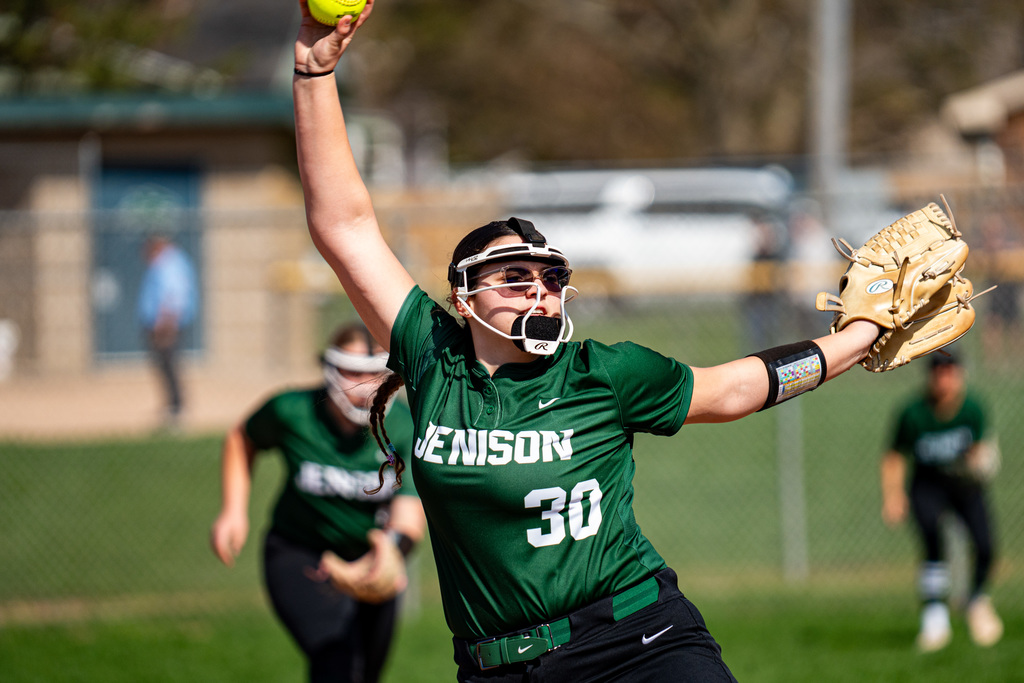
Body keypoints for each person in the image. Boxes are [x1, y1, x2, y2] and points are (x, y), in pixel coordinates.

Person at [293, 3, 883, 680]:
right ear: (463, 297)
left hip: (637, 638)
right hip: (498, 667)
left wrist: (861, 336)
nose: (539, 290)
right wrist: (315, 72)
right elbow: (344, 223)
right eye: (513, 277)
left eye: (550, 277)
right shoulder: (434, 358)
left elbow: (735, 389)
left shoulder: (602, 371)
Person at [210, 321, 426, 683]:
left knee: (366, 673)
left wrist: (387, 554)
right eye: (352, 370)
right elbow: (241, 438)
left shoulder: (404, 427)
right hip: (301, 553)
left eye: (376, 373)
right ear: (329, 367)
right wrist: (233, 511)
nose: (364, 385)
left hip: (369, 559)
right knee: (337, 663)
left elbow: (408, 515)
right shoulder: (292, 410)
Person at [880, 349, 1003, 652]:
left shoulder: (972, 409)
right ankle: (935, 614)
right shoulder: (914, 412)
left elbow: (980, 450)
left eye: (950, 372)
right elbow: (894, 456)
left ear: (960, 375)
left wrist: (981, 460)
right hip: (928, 485)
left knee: (986, 545)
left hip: (965, 487)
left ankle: (976, 599)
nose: (944, 380)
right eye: (938, 373)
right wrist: (893, 496)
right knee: (933, 540)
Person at [137, 234, 198, 430]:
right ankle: (172, 405)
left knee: (169, 365)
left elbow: (173, 296)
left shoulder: (169, 263)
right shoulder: (167, 262)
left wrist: (165, 324)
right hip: (163, 324)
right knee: (165, 366)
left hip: (166, 326)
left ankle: (176, 408)